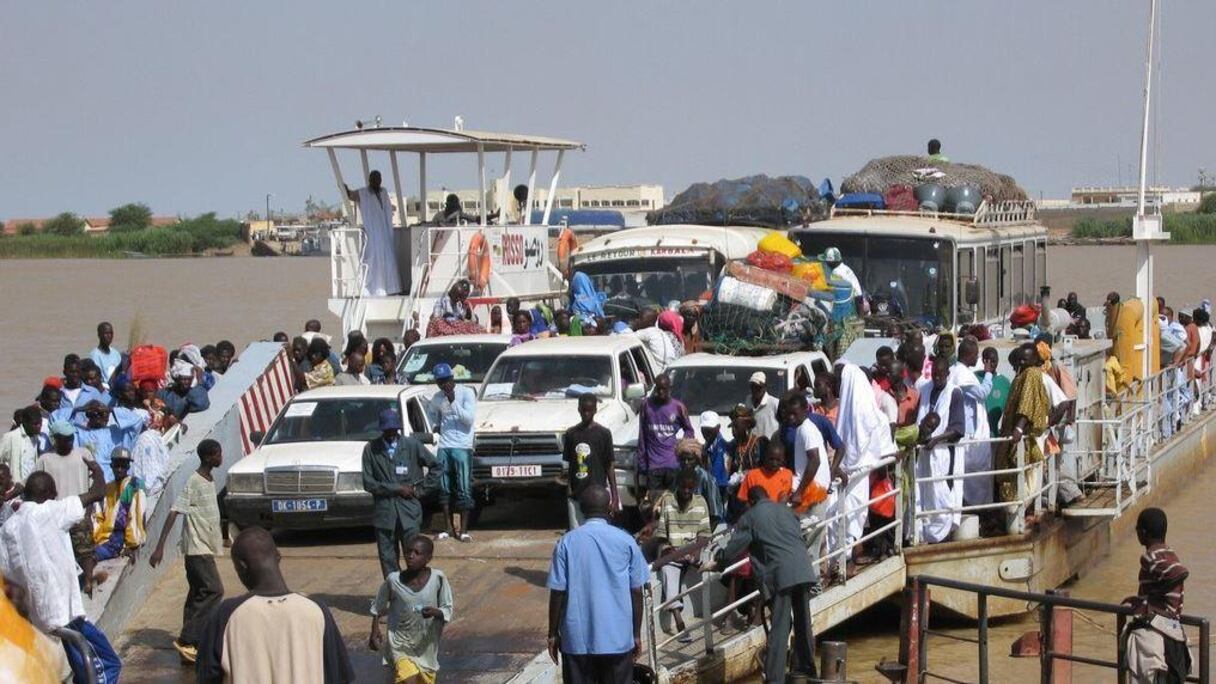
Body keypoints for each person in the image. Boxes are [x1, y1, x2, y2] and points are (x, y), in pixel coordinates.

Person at [0, 460, 119, 682]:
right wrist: (98, 470)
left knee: (84, 670)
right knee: (108, 664)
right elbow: (98, 493)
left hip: (38, 619)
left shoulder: (7, 529)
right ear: (48, 494)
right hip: (64, 614)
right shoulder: (51, 511)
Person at [197, 527, 354, 684]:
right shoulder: (316, 611)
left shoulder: (226, 615)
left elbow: (207, 676)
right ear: (278, 556)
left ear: (242, 566)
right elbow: (338, 677)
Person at [714, 484, 818, 683]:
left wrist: (719, 559)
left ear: (751, 502)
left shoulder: (751, 517)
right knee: (803, 622)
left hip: (781, 575)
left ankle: (774, 678)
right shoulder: (786, 511)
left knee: (780, 625)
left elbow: (734, 548)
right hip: (803, 569)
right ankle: (807, 669)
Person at [546, 486, 648, 684]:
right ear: (609, 508)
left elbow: (558, 592)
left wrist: (552, 634)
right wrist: (635, 634)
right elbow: (636, 591)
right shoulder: (626, 541)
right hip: (617, 640)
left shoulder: (566, 543)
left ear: (582, 510)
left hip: (577, 643)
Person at [149, 438, 226, 664]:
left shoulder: (209, 479)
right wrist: (159, 547)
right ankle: (187, 638)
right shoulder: (194, 481)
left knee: (197, 594)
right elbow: (174, 511)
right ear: (210, 456)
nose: (221, 457)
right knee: (214, 590)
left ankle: (194, 643)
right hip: (196, 548)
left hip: (205, 547)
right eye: (219, 453)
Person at [831, 365, 896, 558]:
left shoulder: (868, 414)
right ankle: (841, 561)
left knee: (850, 517)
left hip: (859, 476)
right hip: (848, 476)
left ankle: (847, 561)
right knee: (844, 517)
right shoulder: (849, 411)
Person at [369, 535, 453, 684]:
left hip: (425, 645)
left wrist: (436, 612)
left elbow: (447, 608)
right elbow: (378, 605)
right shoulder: (393, 580)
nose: (410, 556)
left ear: (428, 558)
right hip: (400, 642)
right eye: (408, 552)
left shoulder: (438, 579)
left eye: (416, 553)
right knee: (408, 679)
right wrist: (374, 630)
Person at [362, 409, 436, 577]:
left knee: (414, 556)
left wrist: (421, 490)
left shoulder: (412, 445)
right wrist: (396, 488)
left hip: (409, 512)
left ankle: (414, 591)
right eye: (387, 430)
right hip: (385, 514)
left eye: (394, 430)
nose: (391, 433)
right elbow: (368, 483)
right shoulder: (371, 449)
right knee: (388, 558)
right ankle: (394, 594)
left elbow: (436, 466)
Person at [1121, 508, 1191, 684]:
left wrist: (1148, 606)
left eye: (1137, 529)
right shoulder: (1169, 552)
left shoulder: (1151, 557)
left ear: (1143, 532)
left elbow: (1178, 572)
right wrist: (1142, 600)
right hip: (1172, 628)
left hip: (1157, 629)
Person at [36, 420, 101, 594]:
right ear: (55, 439)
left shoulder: (84, 454)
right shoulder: (45, 460)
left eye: (71, 437)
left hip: (79, 512)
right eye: (65, 438)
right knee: (60, 556)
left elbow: (93, 483)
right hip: (56, 515)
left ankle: (88, 580)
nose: (70, 441)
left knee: (85, 550)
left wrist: (88, 512)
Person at [653, 470, 711, 641]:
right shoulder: (668, 502)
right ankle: (679, 623)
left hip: (693, 552)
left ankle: (706, 616)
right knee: (667, 572)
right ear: (677, 486)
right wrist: (670, 551)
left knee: (710, 570)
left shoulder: (701, 502)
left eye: (690, 488)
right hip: (674, 553)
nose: (687, 491)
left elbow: (705, 533)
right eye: (684, 487)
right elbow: (662, 535)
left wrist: (694, 555)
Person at [915, 356, 965, 543]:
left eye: (940, 375)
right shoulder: (925, 389)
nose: (936, 378)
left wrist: (937, 440)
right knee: (925, 493)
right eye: (934, 374)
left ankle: (943, 535)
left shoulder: (955, 393)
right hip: (925, 453)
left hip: (945, 453)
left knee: (943, 494)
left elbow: (959, 430)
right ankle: (925, 534)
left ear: (947, 374)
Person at [426, 363, 477, 542]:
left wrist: (453, 400)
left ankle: (463, 530)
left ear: (452, 378)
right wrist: (435, 425)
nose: (444, 385)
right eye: (440, 382)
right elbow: (431, 412)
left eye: (446, 381)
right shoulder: (437, 398)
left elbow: (468, 420)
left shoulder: (466, 393)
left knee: (464, 487)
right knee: (444, 486)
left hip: (462, 445)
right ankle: (447, 527)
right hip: (445, 445)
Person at [952, 337, 996, 507]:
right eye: (976, 355)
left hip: (969, 430)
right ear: (969, 355)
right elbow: (982, 393)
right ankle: (977, 509)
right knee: (974, 472)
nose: (977, 359)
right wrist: (989, 373)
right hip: (969, 434)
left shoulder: (960, 371)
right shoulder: (962, 375)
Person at [344, 170, 403, 297]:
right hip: (373, 234)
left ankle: (391, 288)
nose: (377, 181)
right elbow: (351, 195)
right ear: (370, 180)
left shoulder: (384, 192)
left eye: (378, 179)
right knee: (374, 260)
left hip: (385, 233)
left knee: (388, 261)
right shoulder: (363, 193)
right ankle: (375, 289)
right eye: (374, 179)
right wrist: (345, 188)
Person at [563, 393, 616, 529]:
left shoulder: (604, 434)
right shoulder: (571, 434)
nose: (586, 414)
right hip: (577, 493)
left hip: (598, 494)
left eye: (589, 410)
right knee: (577, 530)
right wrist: (569, 491)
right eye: (584, 410)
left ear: (595, 410)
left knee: (598, 531)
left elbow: (609, 464)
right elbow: (570, 465)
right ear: (579, 409)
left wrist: (615, 497)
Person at [638, 374, 694, 498]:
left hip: (673, 465)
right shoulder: (646, 405)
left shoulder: (678, 407)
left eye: (664, 389)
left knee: (672, 501)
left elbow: (689, 430)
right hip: (653, 466)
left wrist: (682, 446)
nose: (660, 392)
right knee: (654, 503)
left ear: (670, 388)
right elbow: (642, 435)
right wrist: (642, 462)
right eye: (658, 389)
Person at [91, 449, 147, 562]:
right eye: (117, 465)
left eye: (123, 465)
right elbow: (98, 516)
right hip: (103, 538)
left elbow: (137, 516)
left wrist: (131, 545)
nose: (120, 469)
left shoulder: (134, 485)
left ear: (128, 466)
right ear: (111, 466)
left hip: (118, 541)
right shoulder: (107, 488)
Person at [0, 405, 41, 486]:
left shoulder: (36, 438)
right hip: (15, 487)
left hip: (30, 487)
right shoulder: (11, 437)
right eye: (35, 424)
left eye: (40, 423)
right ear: (25, 422)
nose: (39, 427)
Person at [700, 410, 730, 499]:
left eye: (710, 429)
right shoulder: (706, 446)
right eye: (704, 429)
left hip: (719, 490)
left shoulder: (723, 447)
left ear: (718, 427)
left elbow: (720, 479)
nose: (707, 432)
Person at [745, 372, 781, 441]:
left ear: (765, 387)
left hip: (769, 446)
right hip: (753, 446)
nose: (755, 390)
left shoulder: (774, 403)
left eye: (758, 387)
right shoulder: (748, 400)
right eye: (753, 387)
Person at [89, 321, 123, 389]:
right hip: (104, 389)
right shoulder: (94, 355)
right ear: (99, 335)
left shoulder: (116, 353)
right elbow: (96, 378)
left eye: (111, 333)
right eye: (106, 333)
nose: (109, 336)